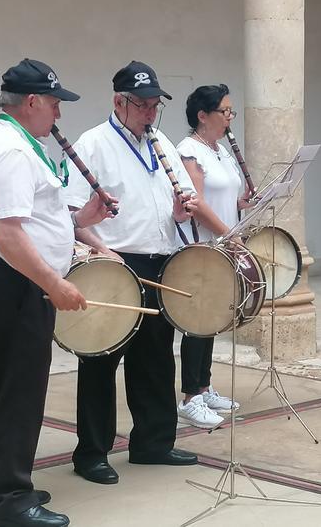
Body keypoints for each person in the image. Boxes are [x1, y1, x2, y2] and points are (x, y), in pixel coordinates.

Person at [0, 59, 116, 527]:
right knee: (20, 391)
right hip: (16, 282)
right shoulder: (12, 151)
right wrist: (55, 284)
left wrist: (82, 221)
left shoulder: (21, 143)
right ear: (32, 102)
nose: (59, 114)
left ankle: (2, 482)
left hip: (17, 280)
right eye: (55, 103)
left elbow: (35, 220)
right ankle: (10, 499)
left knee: (15, 388)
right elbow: (9, 235)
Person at [63, 60, 201, 485]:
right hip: (115, 261)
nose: (149, 113)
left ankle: (153, 443)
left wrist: (181, 211)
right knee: (101, 358)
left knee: (157, 356)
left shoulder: (160, 142)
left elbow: (180, 202)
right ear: (118, 102)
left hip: (161, 258)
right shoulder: (94, 143)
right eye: (141, 105)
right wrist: (103, 251)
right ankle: (92, 452)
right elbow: (72, 212)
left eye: (154, 105)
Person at [173, 84, 253, 429]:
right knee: (197, 321)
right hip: (203, 245)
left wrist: (241, 205)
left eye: (231, 111)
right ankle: (190, 396)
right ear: (202, 116)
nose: (229, 118)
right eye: (225, 111)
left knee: (212, 319)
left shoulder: (219, 149)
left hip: (223, 243)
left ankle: (203, 388)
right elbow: (197, 202)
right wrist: (227, 232)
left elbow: (224, 196)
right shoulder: (189, 150)